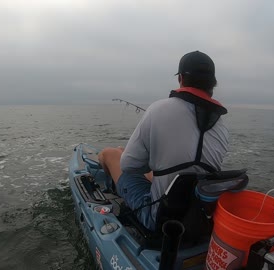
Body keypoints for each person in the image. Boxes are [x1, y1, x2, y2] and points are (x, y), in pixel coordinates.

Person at [98, 51, 229, 231]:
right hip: (198, 217)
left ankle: (109, 194)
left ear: (181, 78)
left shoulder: (158, 109)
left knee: (110, 154)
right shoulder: (221, 127)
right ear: (212, 84)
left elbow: (129, 166)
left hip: (159, 219)